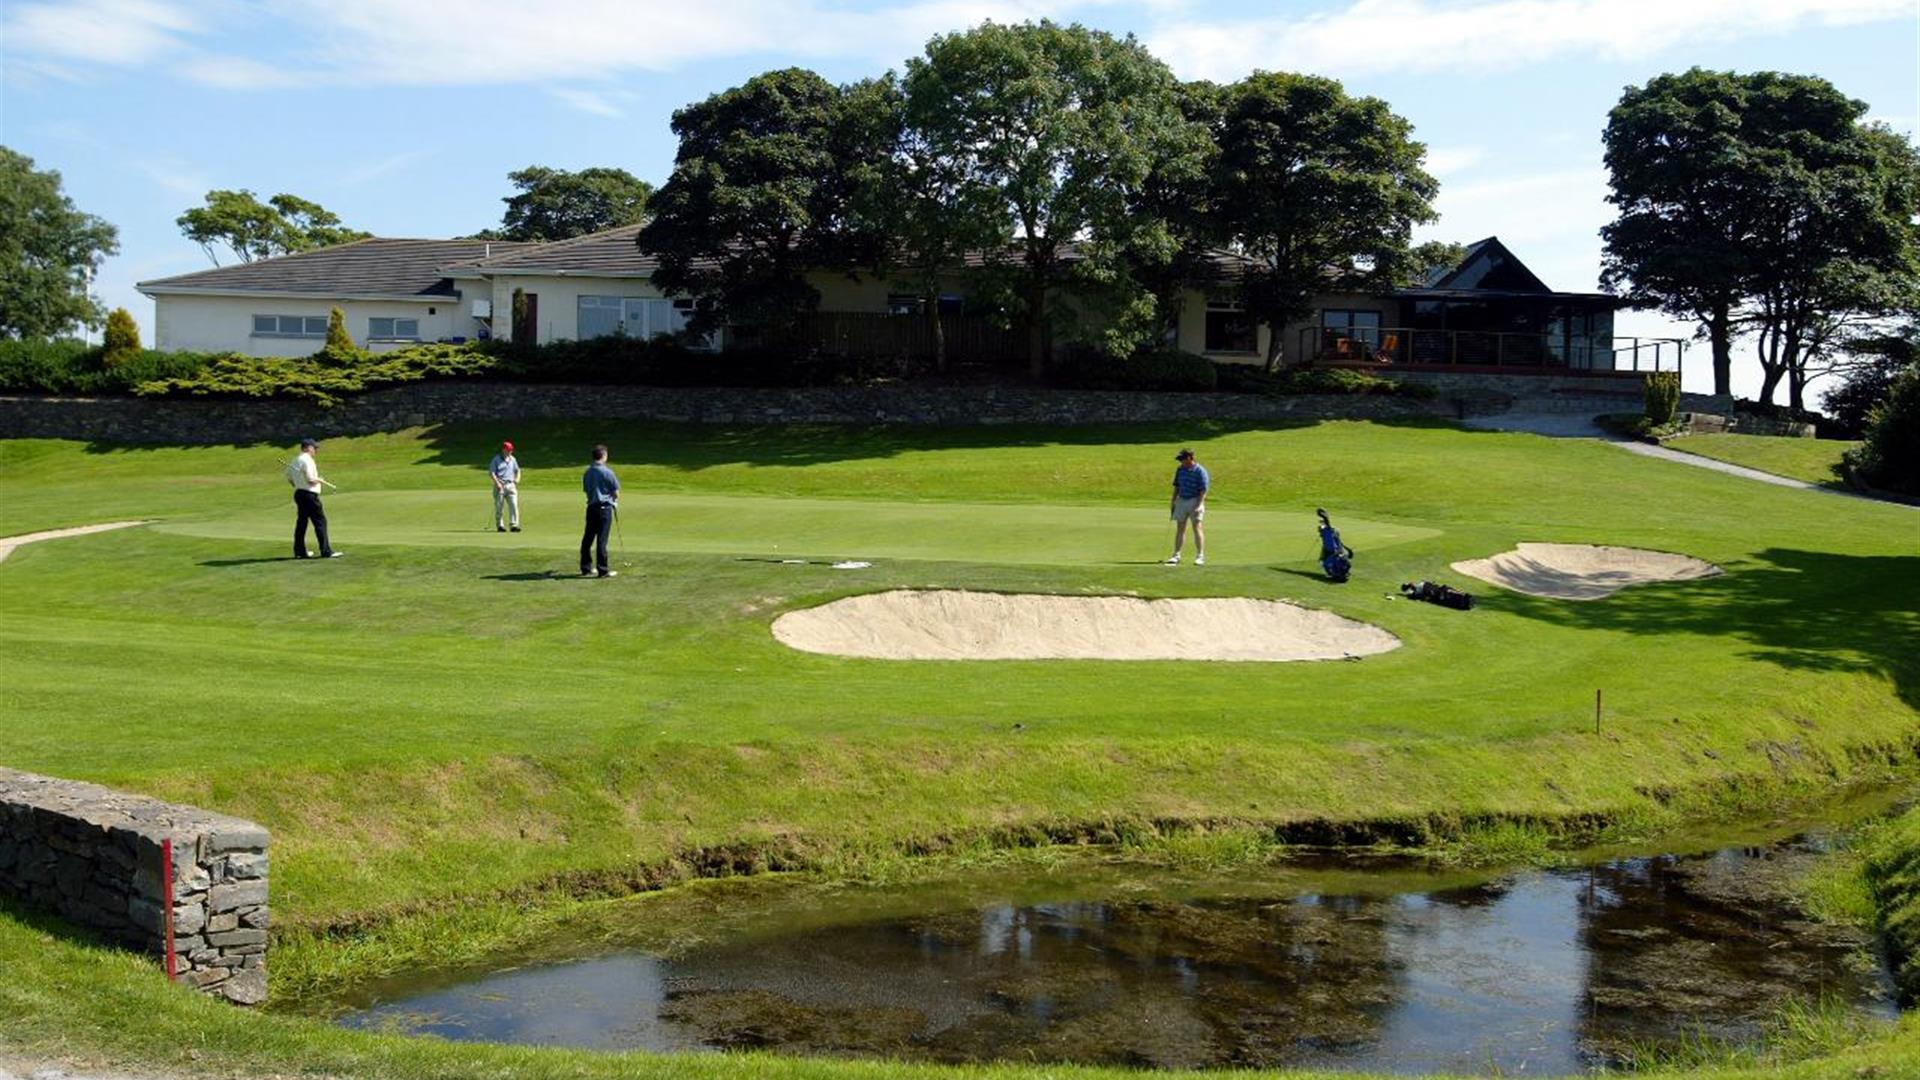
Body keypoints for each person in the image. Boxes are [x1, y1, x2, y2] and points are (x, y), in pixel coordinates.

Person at [286, 437, 340, 559]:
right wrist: (319, 480)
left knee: (302, 523)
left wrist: (299, 484)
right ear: (308, 448)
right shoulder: (307, 460)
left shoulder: (295, 460)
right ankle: (326, 551)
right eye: (314, 448)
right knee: (320, 522)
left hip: (299, 493)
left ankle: (300, 552)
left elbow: (289, 477)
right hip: (310, 495)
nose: (315, 450)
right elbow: (310, 480)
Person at [580, 444, 620, 578]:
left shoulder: (587, 472)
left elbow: (586, 490)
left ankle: (586, 567)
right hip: (604, 509)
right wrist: (613, 501)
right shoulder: (607, 472)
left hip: (591, 508)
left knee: (588, 538)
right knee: (602, 540)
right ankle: (602, 570)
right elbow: (616, 492)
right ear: (604, 455)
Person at [1165, 447, 1208, 566]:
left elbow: (1203, 490)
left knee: (1197, 527)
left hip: (1195, 500)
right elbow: (1177, 486)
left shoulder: (1200, 471)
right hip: (1182, 500)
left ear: (1189, 458)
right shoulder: (1180, 469)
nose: (1181, 462)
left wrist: (1199, 505)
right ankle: (1176, 555)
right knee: (1180, 528)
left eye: (1182, 459)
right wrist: (1173, 501)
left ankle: (1200, 556)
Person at [489, 440, 522, 532]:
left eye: (511, 450)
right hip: (500, 485)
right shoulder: (496, 459)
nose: (510, 451)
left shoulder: (513, 459)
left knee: (514, 505)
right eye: (508, 450)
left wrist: (517, 479)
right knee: (499, 506)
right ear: (503, 449)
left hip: (511, 485)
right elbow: (492, 473)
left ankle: (514, 525)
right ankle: (500, 525)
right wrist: (497, 483)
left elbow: (517, 470)